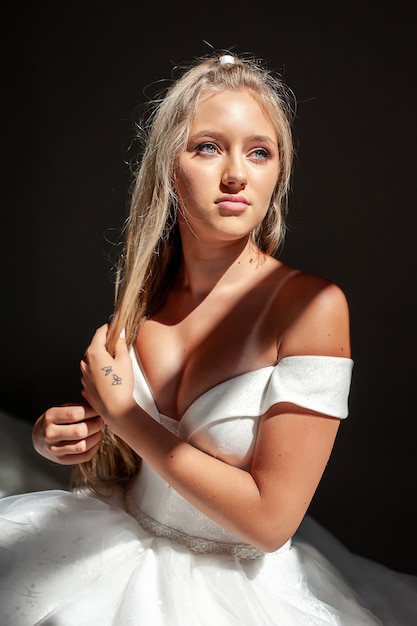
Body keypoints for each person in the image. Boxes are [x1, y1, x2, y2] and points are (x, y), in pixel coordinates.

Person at [0, 51, 415, 626]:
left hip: (235, 595)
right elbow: (122, 466)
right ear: (170, 165)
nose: (236, 174)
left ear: (279, 173)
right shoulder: (144, 299)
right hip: (111, 556)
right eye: (208, 146)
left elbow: (271, 523)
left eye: (260, 152)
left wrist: (126, 417)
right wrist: (62, 439)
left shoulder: (311, 307)